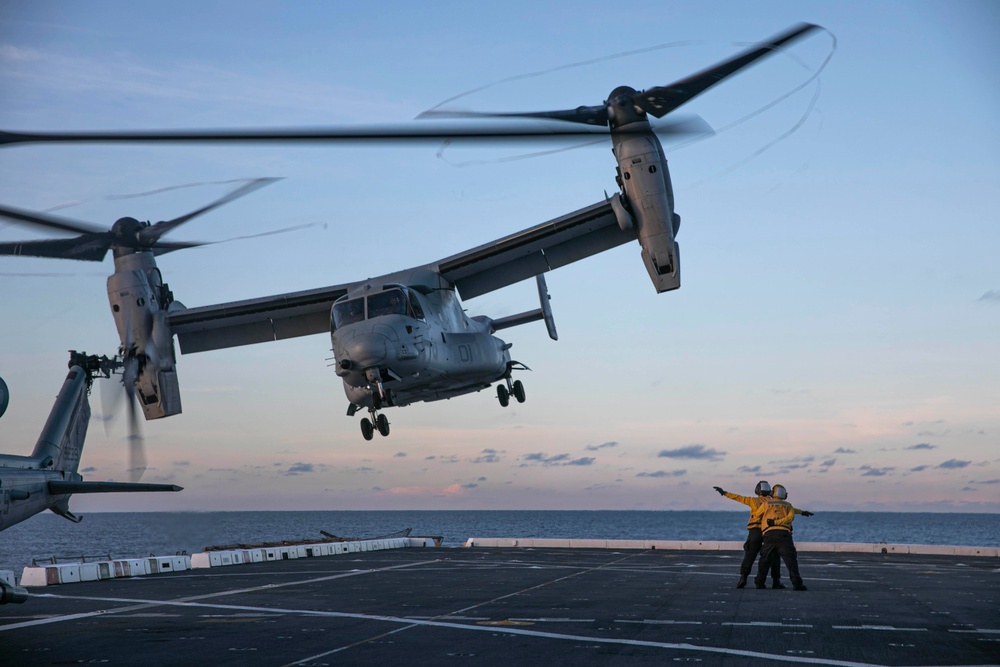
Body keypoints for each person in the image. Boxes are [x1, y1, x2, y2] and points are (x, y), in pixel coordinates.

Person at [713, 481, 813, 589]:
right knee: (775, 557)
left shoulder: (753, 501)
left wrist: (724, 493)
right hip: (769, 531)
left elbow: (737, 497)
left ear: (757, 490)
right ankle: (776, 581)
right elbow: (789, 509)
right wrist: (802, 512)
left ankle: (744, 578)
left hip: (755, 531)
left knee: (750, 555)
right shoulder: (774, 501)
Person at [753, 484, 808, 591]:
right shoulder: (788, 505)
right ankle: (797, 583)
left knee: (764, 559)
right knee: (791, 561)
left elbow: (757, 513)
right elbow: (791, 517)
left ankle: (760, 582)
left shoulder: (766, 504)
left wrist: (771, 520)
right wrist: (801, 512)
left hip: (769, 535)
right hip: (784, 536)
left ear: (772, 493)